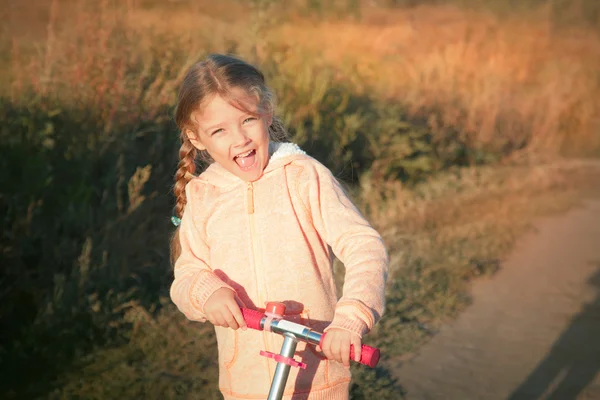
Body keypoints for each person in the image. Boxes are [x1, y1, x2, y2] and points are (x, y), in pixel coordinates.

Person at [169, 53, 388, 400]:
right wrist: (205, 291)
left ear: (267, 113)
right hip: (246, 383)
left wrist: (351, 317)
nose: (239, 139)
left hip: (316, 378)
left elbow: (364, 246)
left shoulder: (303, 175)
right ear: (196, 139)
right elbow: (188, 273)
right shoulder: (204, 195)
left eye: (247, 120)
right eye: (219, 130)